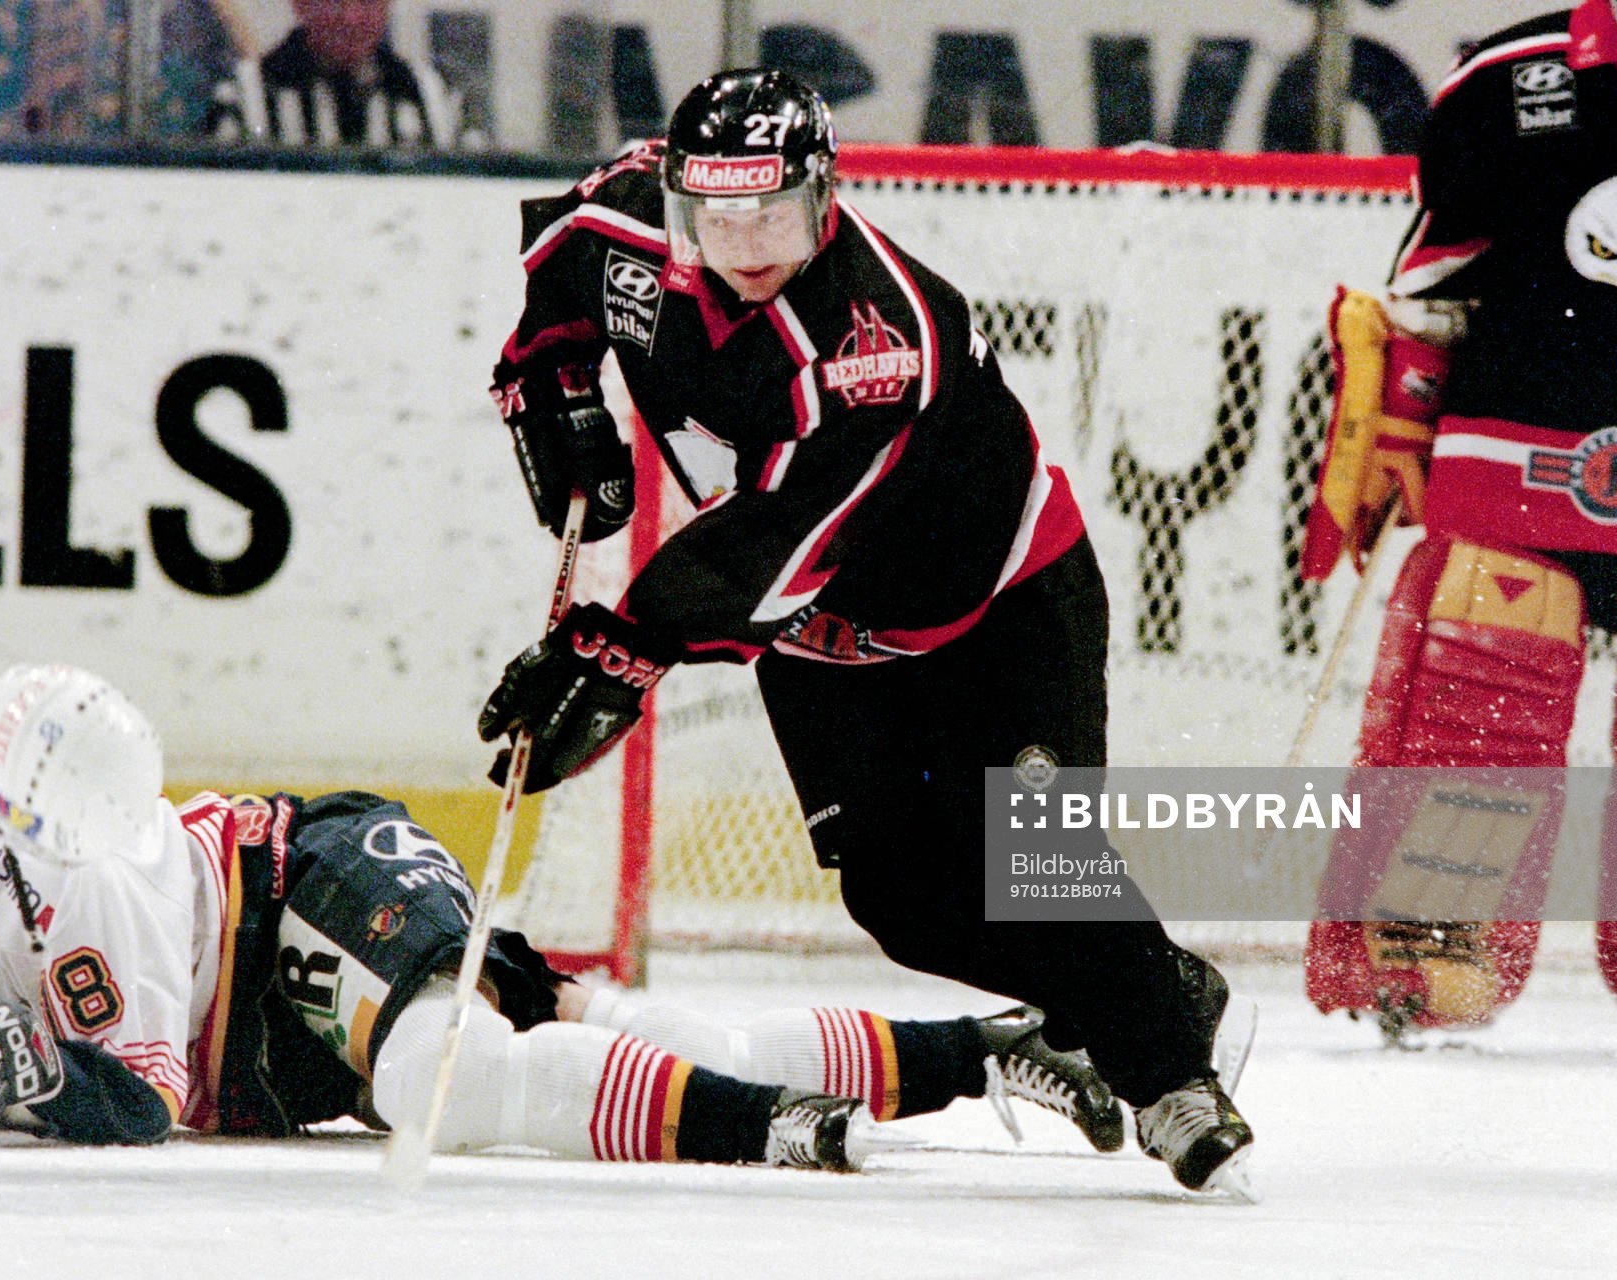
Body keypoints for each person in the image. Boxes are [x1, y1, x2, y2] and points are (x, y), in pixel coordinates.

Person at [476, 67, 1254, 1192]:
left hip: (999, 601)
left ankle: (1175, 1078)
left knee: (1038, 860)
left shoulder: (875, 335)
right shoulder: (622, 226)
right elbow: (552, 293)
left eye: (774, 213)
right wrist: (559, 401)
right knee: (898, 899)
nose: (744, 241)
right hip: (824, 638)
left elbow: (778, 541)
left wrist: (622, 644)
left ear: (826, 196)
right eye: (717, 213)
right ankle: (1149, 982)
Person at [0, 664, 1127, 1165]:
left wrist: (31, 1071)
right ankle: (992, 1050)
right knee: (619, 1033)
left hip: (289, 901)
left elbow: (142, 1099)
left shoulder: (72, 882)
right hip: (277, 1043)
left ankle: (785, 1134)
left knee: (444, 1084)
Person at [1301, 0, 1617, 1044]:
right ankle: (1425, 946)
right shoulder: (1503, 76)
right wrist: (1393, 426)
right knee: (1474, 707)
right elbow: (1434, 278)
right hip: (1516, 447)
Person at [205, 0, 452, 148]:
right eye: (334, 2)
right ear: (300, 4)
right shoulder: (241, 98)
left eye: (366, 1)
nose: (351, 18)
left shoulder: (434, 96)